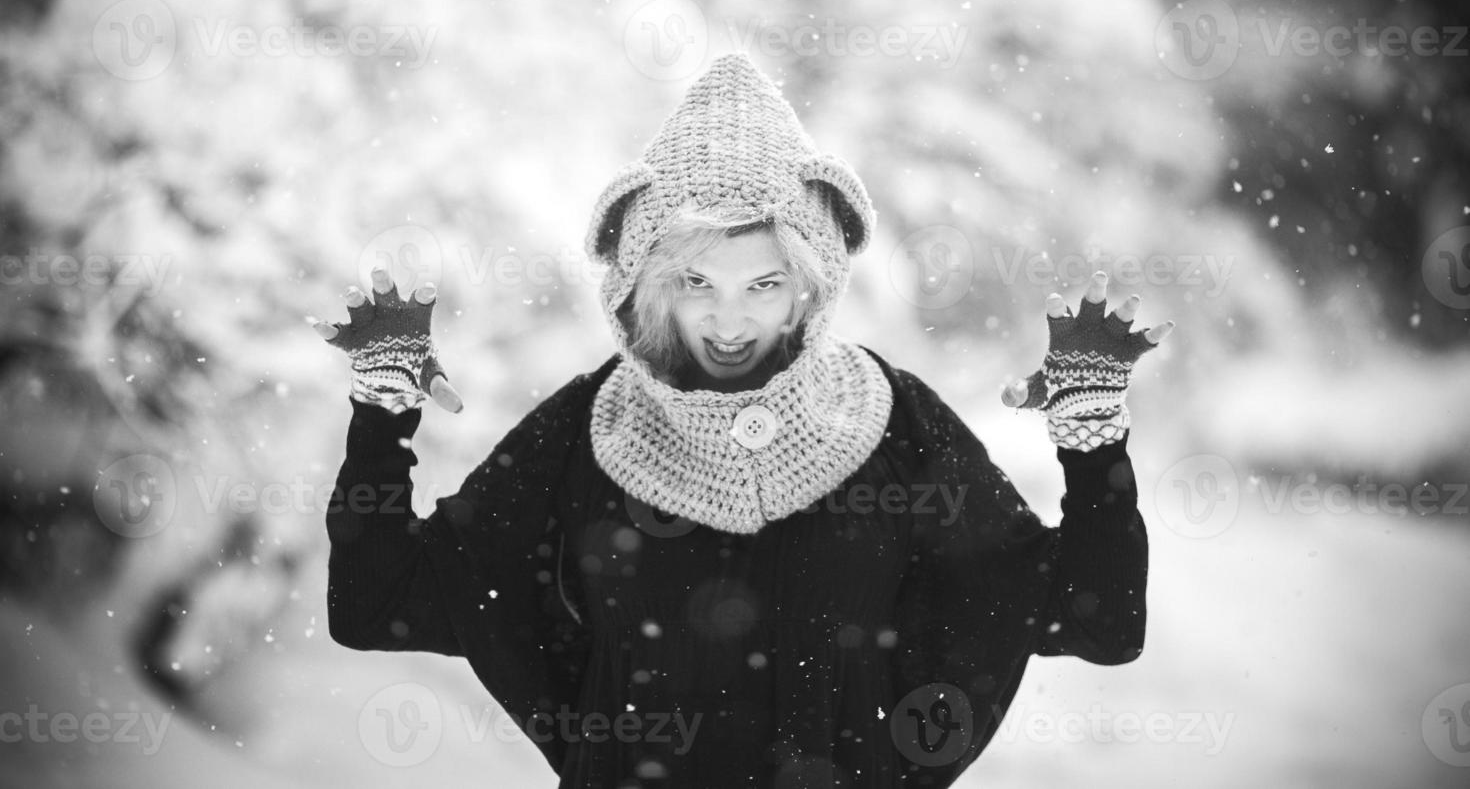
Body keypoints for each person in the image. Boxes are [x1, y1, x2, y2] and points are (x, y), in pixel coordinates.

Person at [312, 53, 1174, 788]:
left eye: (762, 284)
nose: (729, 323)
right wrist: (380, 419)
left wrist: (1093, 444)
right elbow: (381, 602)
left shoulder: (893, 423)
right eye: (697, 283)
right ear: (649, 282)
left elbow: (1088, 617)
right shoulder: (585, 432)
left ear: (811, 279)